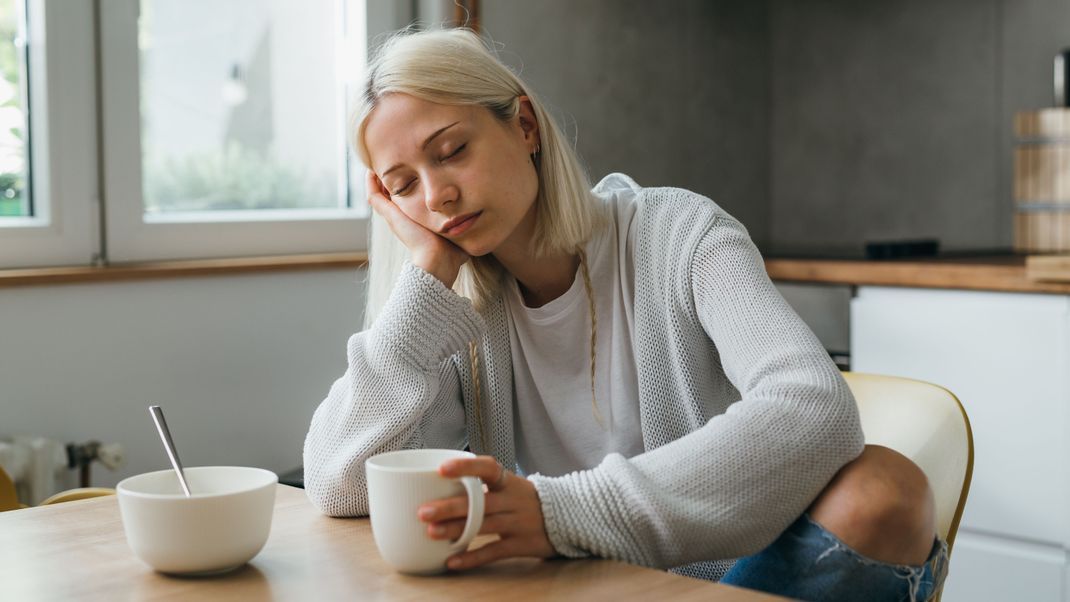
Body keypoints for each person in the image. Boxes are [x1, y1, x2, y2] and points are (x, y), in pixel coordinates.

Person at [303, 27, 947, 601]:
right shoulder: (453, 310)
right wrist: (422, 280)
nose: (437, 194)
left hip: (732, 576)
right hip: (580, 586)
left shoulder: (680, 233)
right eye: (404, 185)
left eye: (450, 151)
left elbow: (814, 408)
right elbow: (340, 487)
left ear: (524, 126)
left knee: (885, 489)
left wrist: (562, 513)